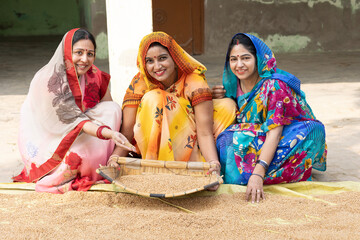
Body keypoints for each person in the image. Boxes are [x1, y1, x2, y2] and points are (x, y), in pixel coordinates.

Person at [13, 28, 135, 193]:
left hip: (83, 131)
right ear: (66, 52)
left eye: (90, 54)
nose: (85, 59)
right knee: (76, 159)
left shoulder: (94, 75)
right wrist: (110, 134)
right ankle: (79, 165)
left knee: (112, 109)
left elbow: (109, 111)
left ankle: (92, 162)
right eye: (79, 52)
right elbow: (74, 121)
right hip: (51, 138)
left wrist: (116, 141)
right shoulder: (50, 79)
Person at [213, 33, 327, 202]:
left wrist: (259, 172)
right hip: (257, 135)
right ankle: (263, 172)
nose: (239, 65)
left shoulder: (275, 86)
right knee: (227, 139)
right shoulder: (232, 84)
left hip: (285, 136)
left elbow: (274, 133)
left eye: (245, 58)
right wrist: (212, 95)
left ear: (259, 58)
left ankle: (256, 175)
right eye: (233, 59)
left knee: (312, 130)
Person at [109, 32, 236, 182]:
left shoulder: (193, 79)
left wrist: (213, 165)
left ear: (175, 59)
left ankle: (197, 164)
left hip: (190, 138)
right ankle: (156, 167)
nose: (157, 66)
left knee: (227, 106)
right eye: (149, 61)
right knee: (154, 98)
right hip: (153, 145)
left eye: (162, 58)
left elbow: (205, 131)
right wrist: (115, 157)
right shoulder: (140, 82)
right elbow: (128, 130)